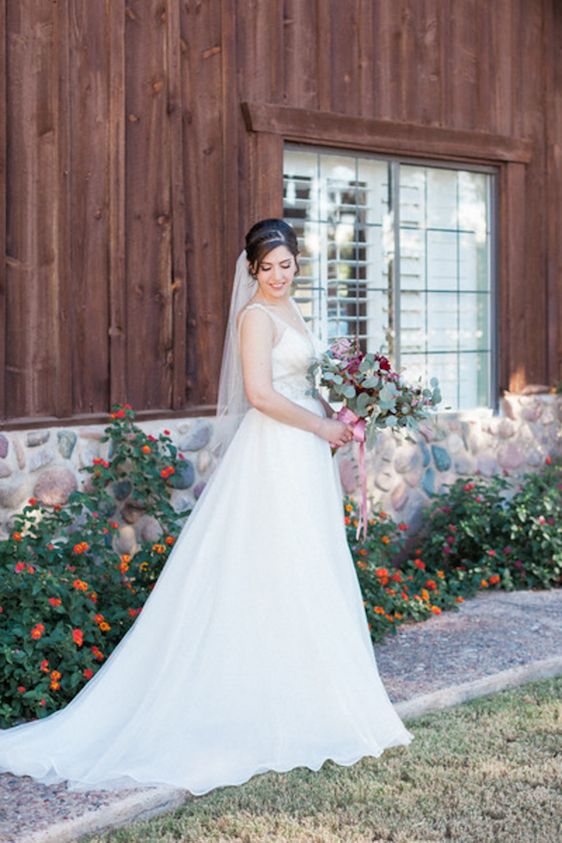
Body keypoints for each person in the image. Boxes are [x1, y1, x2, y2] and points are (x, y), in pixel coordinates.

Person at [0, 219, 414, 795]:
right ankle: (253, 705)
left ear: (297, 263)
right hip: (274, 453)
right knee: (266, 569)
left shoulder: (293, 311)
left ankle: (311, 697)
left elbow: (300, 382)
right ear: (251, 271)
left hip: (304, 455)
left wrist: (343, 415)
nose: (276, 275)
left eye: (285, 265)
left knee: (307, 567)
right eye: (266, 267)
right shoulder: (254, 317)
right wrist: (321, 425)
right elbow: (262, 395)